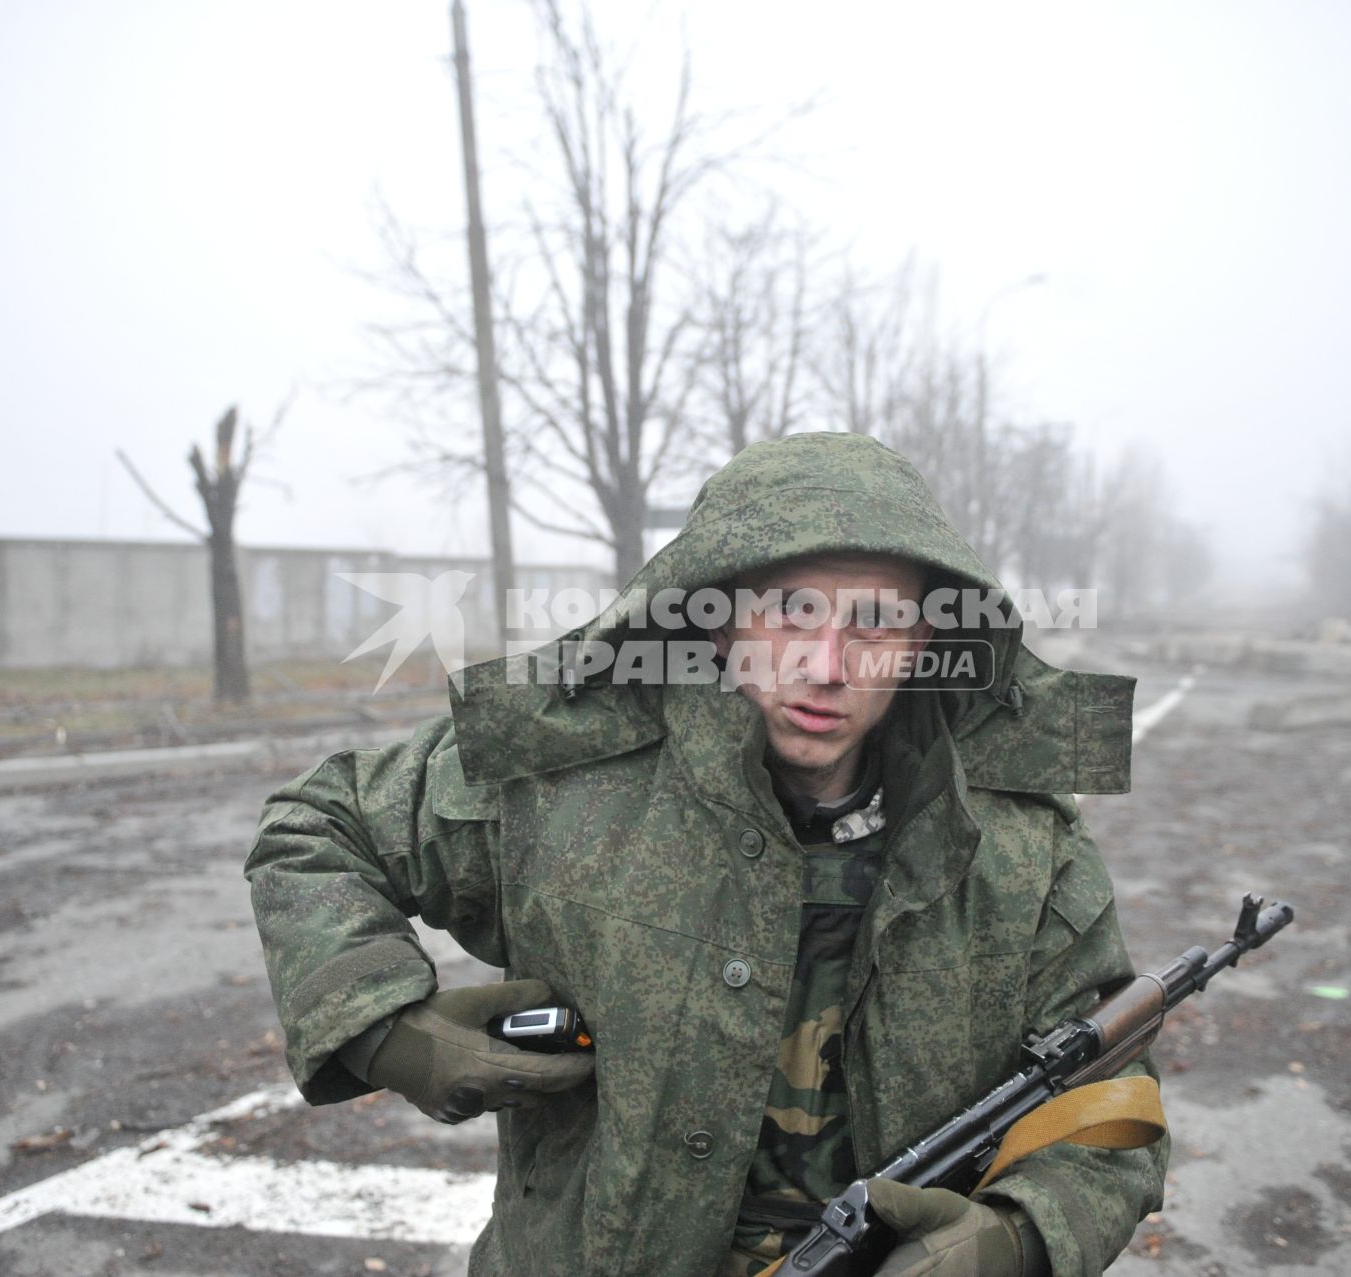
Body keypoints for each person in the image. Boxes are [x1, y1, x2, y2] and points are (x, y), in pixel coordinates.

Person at [244, 431, 1166, 1277]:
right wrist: (383, 1025)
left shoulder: (1017, 842)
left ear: (926, 640)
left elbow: (1107, 1096)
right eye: (790, 611)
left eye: (875, 622)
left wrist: (1015, 1239)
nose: (826, 663)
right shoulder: (567, 781)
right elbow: (319, 825)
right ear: (718, 619)